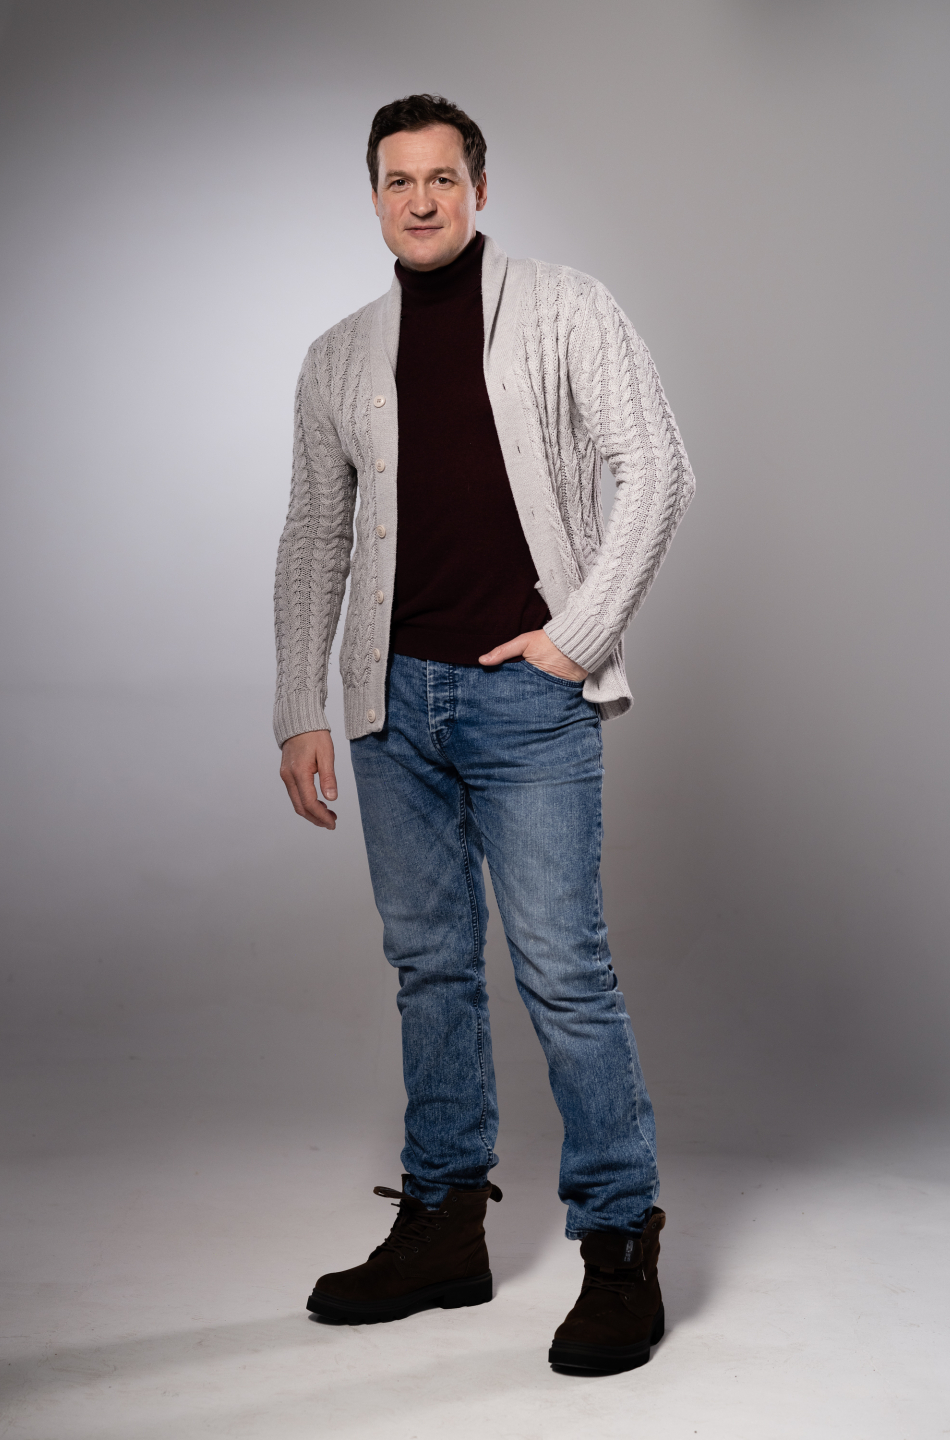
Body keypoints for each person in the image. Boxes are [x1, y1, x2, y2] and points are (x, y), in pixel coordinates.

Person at [273, 93, 693, 1374]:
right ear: (375, 197)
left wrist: (581, 635)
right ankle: (446, 1227)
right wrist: (300, 705)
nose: (420, 200)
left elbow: (658, 467)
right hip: (391, 705)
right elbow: (316, 535)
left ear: (480, 188)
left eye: (442, 178)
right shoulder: (339, 355)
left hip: (527, 701)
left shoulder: (566, 307)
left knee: (564, 970)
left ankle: (618, 1243)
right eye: (397, 181)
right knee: (431, 968)